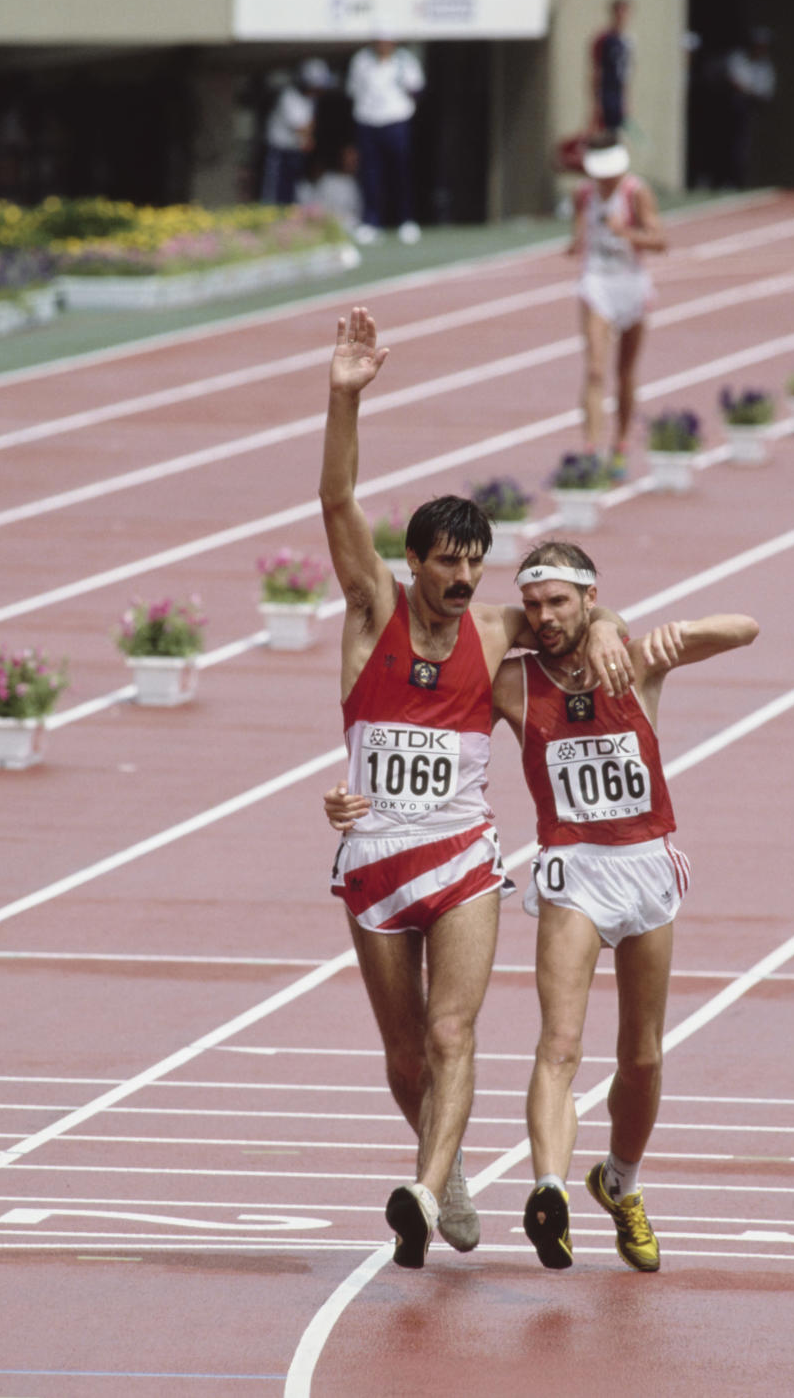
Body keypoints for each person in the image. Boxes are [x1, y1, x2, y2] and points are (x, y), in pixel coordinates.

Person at [319, 308, 632, 1269]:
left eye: (471, 563)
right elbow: (337, 507)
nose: (462, 578)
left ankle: (420, 1183)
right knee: (408, 1050)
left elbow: (568, 614)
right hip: (373, 859)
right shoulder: (373, 609)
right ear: (409, 563)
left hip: (461, 856)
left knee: (455, 1029)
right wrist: (343, 398)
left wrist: (610, 618)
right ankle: (443, 1168)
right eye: (445, 562)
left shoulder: (496, 630)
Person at [496, 541, 757, 1271]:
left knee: (639, 1057)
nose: (545, 616)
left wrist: (656, 634)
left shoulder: (635, 660)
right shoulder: (512, 684)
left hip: (644, 865)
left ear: (588, 597)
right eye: (534, 604)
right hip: (571, 870)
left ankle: (619, 1183)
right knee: (560, 1044)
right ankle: (549, 1191)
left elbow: (744, 629)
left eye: (559, 602)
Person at [568, 138, 666, 479]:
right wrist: (576, 242)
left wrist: (626, 232)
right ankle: (592, 450)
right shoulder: (583, 194)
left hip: (631, 283)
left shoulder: (636, 193)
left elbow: (660, 241)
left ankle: (621, 445)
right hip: (596, 282)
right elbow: (579, 233)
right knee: (595, 369)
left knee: (625, 371)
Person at [345, 37, 425, 245]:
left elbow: (416, 89)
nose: (383, 45)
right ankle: (371, 222)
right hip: (368, 121)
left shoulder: (405, 61)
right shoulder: (361, 61)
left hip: (396, 121)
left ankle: (406, 220)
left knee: (401, 173)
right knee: (370, 174)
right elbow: (353, 90)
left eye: (387, 41)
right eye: (379, 41)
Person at [261, 59, 335, 207]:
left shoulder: (310, 100)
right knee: (276, 193)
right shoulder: (289, 97)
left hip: (295, 151)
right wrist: (310, 137)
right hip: (280, 152)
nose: (319, 91)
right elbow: (302, 128)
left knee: (295, 193)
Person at [722, 28, 775, 189]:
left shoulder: (765, 66)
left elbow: (765, 92)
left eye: (763, 46)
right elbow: (736, 84)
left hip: (752, 108)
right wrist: (751, 91)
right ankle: (727, 179)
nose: (760, 49)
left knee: (744, 146)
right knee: (730, 143)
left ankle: (741, 180)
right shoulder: (738, 58)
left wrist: (751, 92)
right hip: (733, 106)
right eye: (757, 45)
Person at [590, 0, 633, 137]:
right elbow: (596, 70)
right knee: (603, 135)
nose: (622, 16)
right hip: (606, 94)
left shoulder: (627, 41)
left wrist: (626, 100)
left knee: (617, 134)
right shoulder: (604, 39)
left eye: (625, 12)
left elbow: (626, 73)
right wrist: (597, 102)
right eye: (619, 12)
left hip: (618, 94)